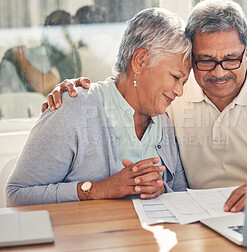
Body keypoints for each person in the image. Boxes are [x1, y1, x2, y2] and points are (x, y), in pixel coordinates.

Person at [43, 0, 247, 212]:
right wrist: (74, 90)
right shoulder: (173, 96)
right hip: (201, 223)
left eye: (231, 58)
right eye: (205, 60)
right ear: (191, 57)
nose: (219, 72)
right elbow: (130, 87)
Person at [6, 8, 191, 207]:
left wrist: (162, 190)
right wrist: (99, 189)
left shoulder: (163, 118)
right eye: (175, 77)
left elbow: (180, 195)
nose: (179, 91)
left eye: (184, 82)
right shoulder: (73, 107)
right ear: (140, 61)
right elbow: (17, 196)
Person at [0, 10, 81, 95]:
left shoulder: (71, 58)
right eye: (47, 26)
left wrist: (18, 57)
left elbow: (43, 86)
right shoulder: (35, 54)